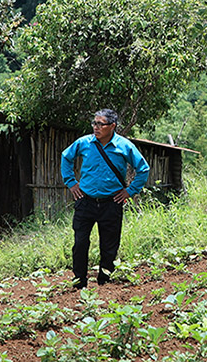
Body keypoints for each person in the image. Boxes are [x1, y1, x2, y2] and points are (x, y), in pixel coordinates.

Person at [61, 109, 150, 289]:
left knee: (109, 246)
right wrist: (71, 182)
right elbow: (66, 157)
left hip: (112, 203)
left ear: (112, 126)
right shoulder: (84, 143)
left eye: (100, 124)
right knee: (80, 243)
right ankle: (79, 282)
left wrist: (130, 191)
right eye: (94, 123)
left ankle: (105, 283)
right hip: (85, 201)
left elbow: (143, 169)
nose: (96, 127)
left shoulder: (124, 146)